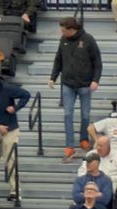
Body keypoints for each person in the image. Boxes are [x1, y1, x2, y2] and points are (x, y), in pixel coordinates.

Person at [49, 17, 102, 162]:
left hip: (85, 84)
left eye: (64, 30)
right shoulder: (63, 40)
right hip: (68, 84)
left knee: (85, 115)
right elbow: (58, 59)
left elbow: (97, 62)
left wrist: (95, 80)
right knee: (67, 114)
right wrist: (53, 77)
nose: (61, 32)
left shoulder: (88, 40)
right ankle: (69, 145)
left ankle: (83, 138)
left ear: (72, 29)